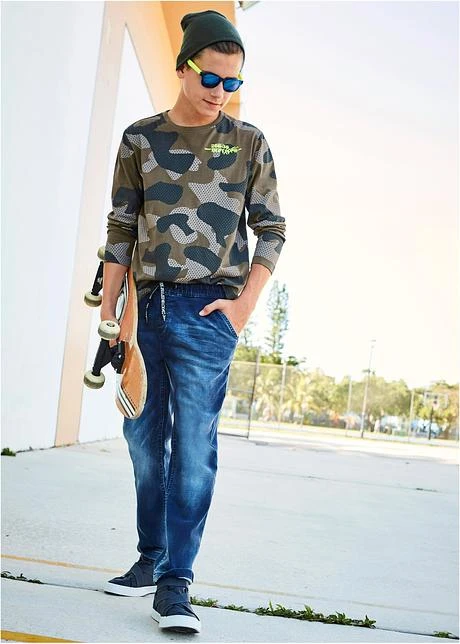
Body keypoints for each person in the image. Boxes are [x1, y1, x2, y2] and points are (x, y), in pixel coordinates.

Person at [101, 10, 286, 634]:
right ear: (184, 68)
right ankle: (150, 556)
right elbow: (121, 229)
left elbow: (272, 229)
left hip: (209, 313)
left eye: (232, 83)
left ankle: (176, 584)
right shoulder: (140, 139)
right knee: (143, 441)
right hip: (145, 309)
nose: (220, 92)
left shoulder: (248, 143)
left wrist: (243, 307)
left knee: (194, 451)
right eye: (211, 78)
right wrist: (110, 313)